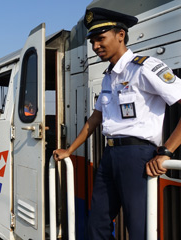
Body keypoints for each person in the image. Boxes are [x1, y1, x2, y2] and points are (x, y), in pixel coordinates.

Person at [53, 7, 181, 239]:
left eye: (101, 38)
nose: (95, 46)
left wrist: (166, 151)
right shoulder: (108, 77)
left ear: (120, 35)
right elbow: (95, 119)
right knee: (96, 226)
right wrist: (69, 150)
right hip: (110, 156)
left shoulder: (144, 67)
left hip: (138, 155)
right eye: (92, 41)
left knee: (140, 227)